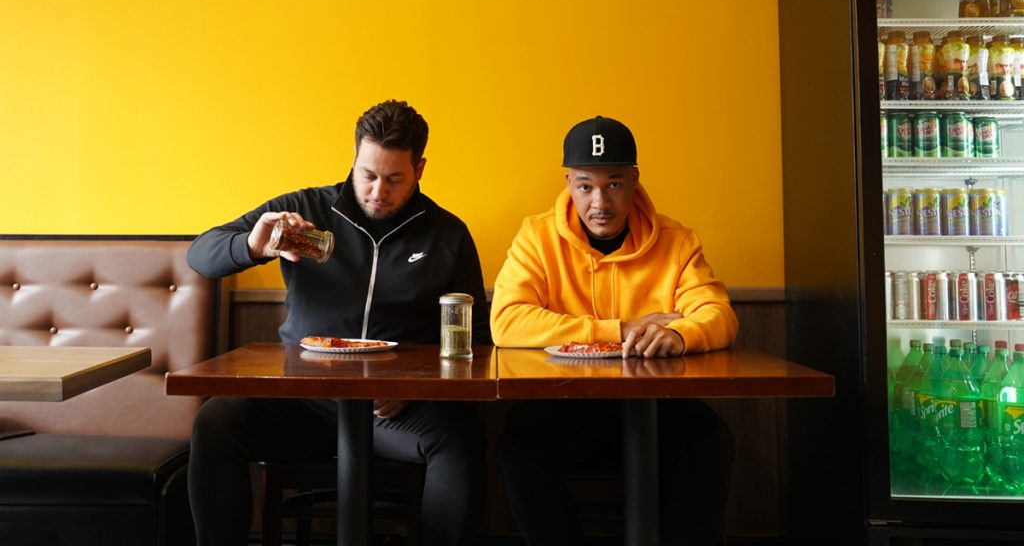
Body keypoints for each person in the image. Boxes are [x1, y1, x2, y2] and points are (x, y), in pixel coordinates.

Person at [186, 99, 490, 546]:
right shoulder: (303, 210)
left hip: (393, 412)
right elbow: (201, 253)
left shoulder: (447, 234)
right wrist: (253, 246)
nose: (377, 191)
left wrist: (415, 386)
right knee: (215, 423)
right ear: (354, 157)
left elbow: (476, 340)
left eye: (394, 179)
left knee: (463, 440)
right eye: (367, 174)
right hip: (303, 399)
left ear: (420, 169)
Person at [491, 115, 739, 546]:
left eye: (614, 184)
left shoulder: (677, 241)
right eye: (585, 186)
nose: (599, 202)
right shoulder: (536, 237)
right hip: (564, 404)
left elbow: (718, 314)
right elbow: (506, 320)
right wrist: (619, 329)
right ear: (568, 182)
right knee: (518, 450)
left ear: (634, 181)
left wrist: (681, 335)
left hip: (656, 408)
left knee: (709, 440)